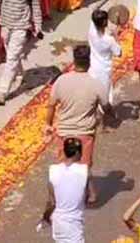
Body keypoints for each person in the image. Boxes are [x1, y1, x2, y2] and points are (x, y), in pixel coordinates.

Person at [47, 45, 107, 202]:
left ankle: (64, 194)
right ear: (89, 62)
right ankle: (91, 194)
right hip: (85, 132)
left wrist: (48, 124)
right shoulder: (95, 84)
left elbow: (51, 105)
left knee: (64, 165)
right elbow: (105, 105)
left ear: (74, 61)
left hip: (64, 132)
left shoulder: (61, 81)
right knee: (84, 166)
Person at [44, 137, 92, 243]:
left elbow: (52, 201)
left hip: (58, 221)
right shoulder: (85, 171)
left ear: (64, 151)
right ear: (77, 153)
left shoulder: (53, 170)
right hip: (73, 223)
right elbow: (92, 197)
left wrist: (46, 217)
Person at [88, 9, 122, 106]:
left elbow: (94, 9)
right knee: (106, 95)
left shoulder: (91, 31)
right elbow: (119, 53)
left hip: (92, 68)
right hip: (104, 71)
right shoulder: (109, 40)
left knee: (93, 93)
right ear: (105, 22)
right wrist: (116, 35)